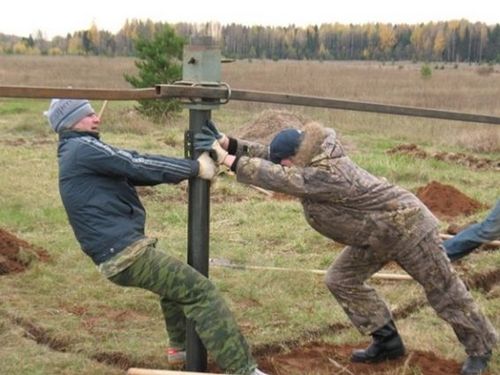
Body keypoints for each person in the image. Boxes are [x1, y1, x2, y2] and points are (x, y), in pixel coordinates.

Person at [195, 120, 498, 375]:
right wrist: (230, 143)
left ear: (297, 156)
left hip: (407, 227)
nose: (283, 164)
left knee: (443, 290)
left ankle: (481, 348)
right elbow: (275, 159)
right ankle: (387, 341)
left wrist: (227, 161)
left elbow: (281, 177)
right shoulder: (306, 154)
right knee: (341, 279)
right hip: (374, 235)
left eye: (286, 162)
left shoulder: (328, 172)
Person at [45, 99, 267, 375]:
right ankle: (244, 370)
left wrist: (187, 169)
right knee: (201, 292)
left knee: (173, 287)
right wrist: (194, 169)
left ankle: (180, 353)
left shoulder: (76, 150)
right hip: (124, 253)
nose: (96, 118)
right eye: (88, 115)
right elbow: (135, 162)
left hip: (116, 253)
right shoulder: (82, 148)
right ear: (70, 121)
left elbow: (134, 170)